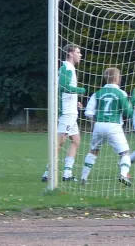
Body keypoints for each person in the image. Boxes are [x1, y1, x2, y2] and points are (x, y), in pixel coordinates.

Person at [80, 68, 134, 186]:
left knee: (93, 151)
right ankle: (123, 174)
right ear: (116, 78)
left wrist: (93, 125)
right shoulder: (121, 93)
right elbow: (127, 112)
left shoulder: (97, 93)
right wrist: (133, 107)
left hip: (99, 125)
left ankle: (84, 177)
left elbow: (88, 112)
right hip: (114, 126)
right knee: (125, 153)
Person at [42, 44, 86, 182]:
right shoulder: (66, 68)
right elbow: (63, 87)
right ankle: (48, 172)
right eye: (78, 52)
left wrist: (76, 102)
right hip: (67, 113)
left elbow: (65, 90)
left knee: (76, 141)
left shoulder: (69, 68)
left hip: (71, 111)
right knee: (60, 141)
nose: (80, 55)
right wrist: (81, 90)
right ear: (70, 53)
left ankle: (67, 173)